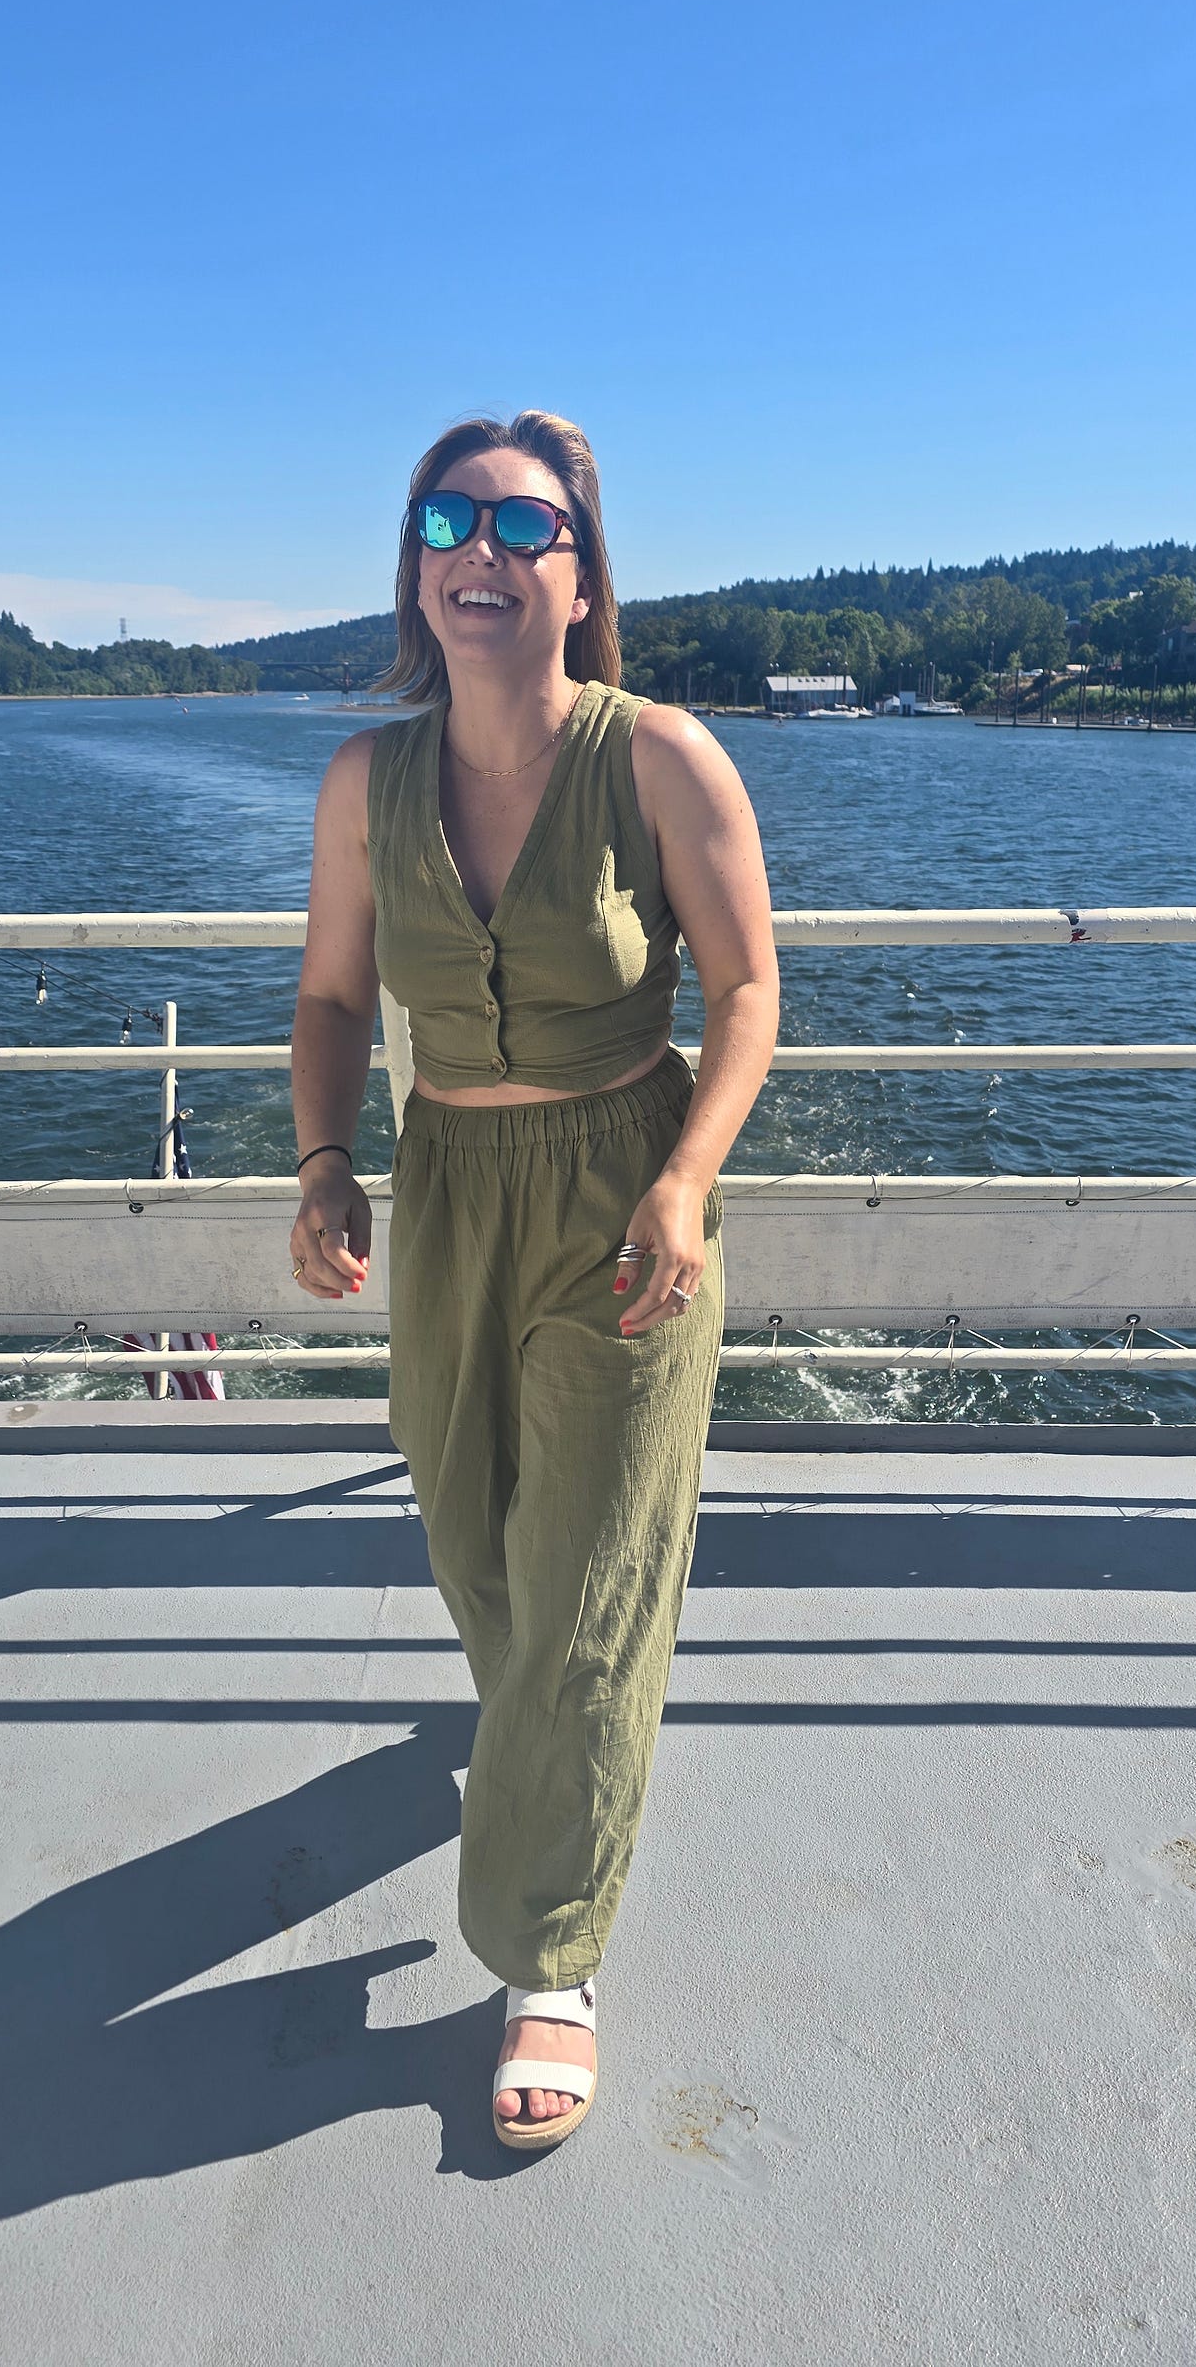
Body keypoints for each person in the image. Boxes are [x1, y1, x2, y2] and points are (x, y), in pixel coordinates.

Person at [289, 410, 778, 2150]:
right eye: (448, 517)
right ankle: (541, 1756)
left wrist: (688, 1177)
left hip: (621, 1189)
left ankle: (549, 1952)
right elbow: (340, 998)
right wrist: (328, 1159)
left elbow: (744, 995)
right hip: (449, 1188)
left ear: (581, 571)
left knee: (582, 1586)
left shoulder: (659, 759)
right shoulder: (365, 783)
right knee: (474, 1534)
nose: (481, 547)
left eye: (522, 521)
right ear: (419, 569)